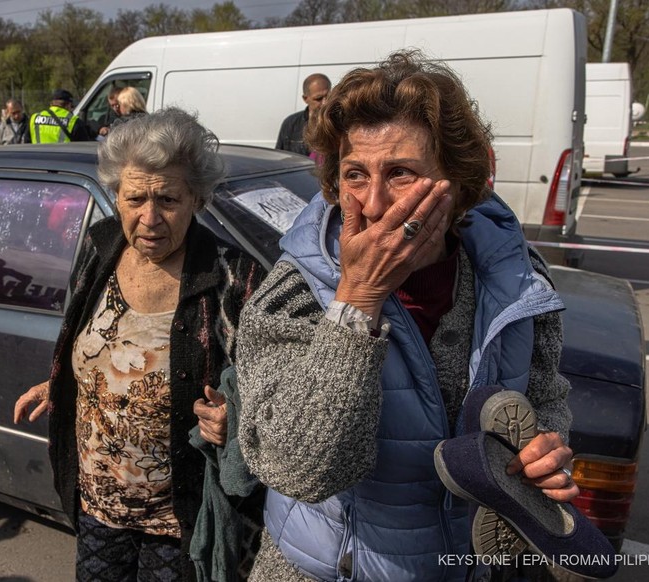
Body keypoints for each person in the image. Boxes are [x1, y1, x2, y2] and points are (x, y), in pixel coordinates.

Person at [236, 50, 576, 581]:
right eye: (354, 174)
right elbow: (297, 468)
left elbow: (545, 397)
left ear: (459, 182)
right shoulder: (294, 288)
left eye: (400, 174)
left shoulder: (513, 278)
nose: (372, 204)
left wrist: (546, 451)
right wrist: (358, 299)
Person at [13, 107, 266, 580]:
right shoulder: (100, 247)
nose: (149, 218)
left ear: (197, 198)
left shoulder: (235, 277)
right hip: (96, 506)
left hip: (179, 517)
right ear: (116, 196)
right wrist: (64, 384)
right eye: (134, 199)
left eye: (168, 199)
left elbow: (270, 386)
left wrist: (235, 418)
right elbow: (88, 341)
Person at [274, 73, 330, 156]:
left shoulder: (339, 122)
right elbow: (278, 156)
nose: (325, 103)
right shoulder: (291, 123)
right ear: (305, 99)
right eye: (318, 99)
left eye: (329, 96)